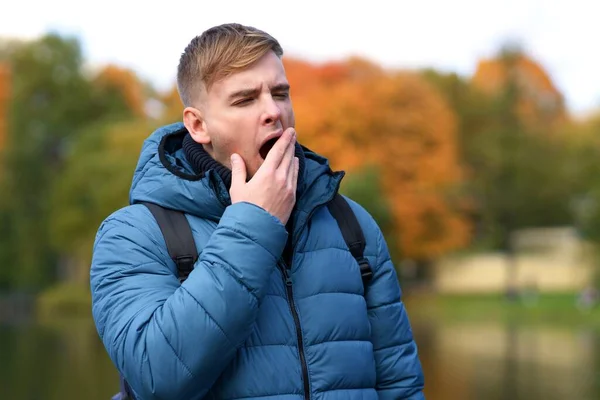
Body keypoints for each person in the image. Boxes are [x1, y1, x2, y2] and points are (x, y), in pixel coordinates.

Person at [90, 23, 425, 400]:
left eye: (280, 93)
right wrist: (253, 222)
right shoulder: (133, 234)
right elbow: (158, 377)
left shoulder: (351, 223)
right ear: (198, 125)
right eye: (246, 99)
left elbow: (401, 386)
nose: (273, 111)